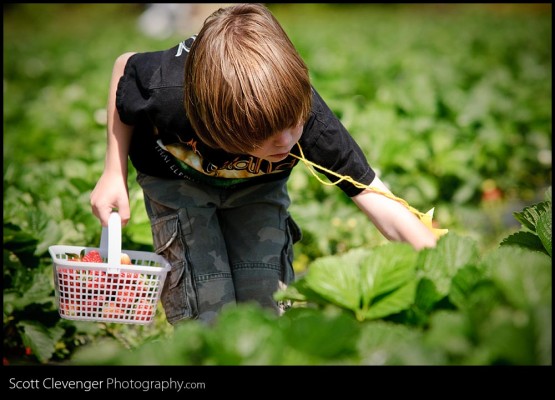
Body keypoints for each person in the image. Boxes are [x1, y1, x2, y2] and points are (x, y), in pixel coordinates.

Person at [90, 3, 438, 324]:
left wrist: (442, 266)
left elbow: (375, 197)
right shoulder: (168, 89)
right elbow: (125, 65)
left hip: (256, 186)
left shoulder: (302, 113)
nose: (287, 142)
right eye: (266, 136)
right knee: (207, 309)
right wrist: (113, 173)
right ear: (215, 123)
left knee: (266, 306)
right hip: (176, 180)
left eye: (293, 127)